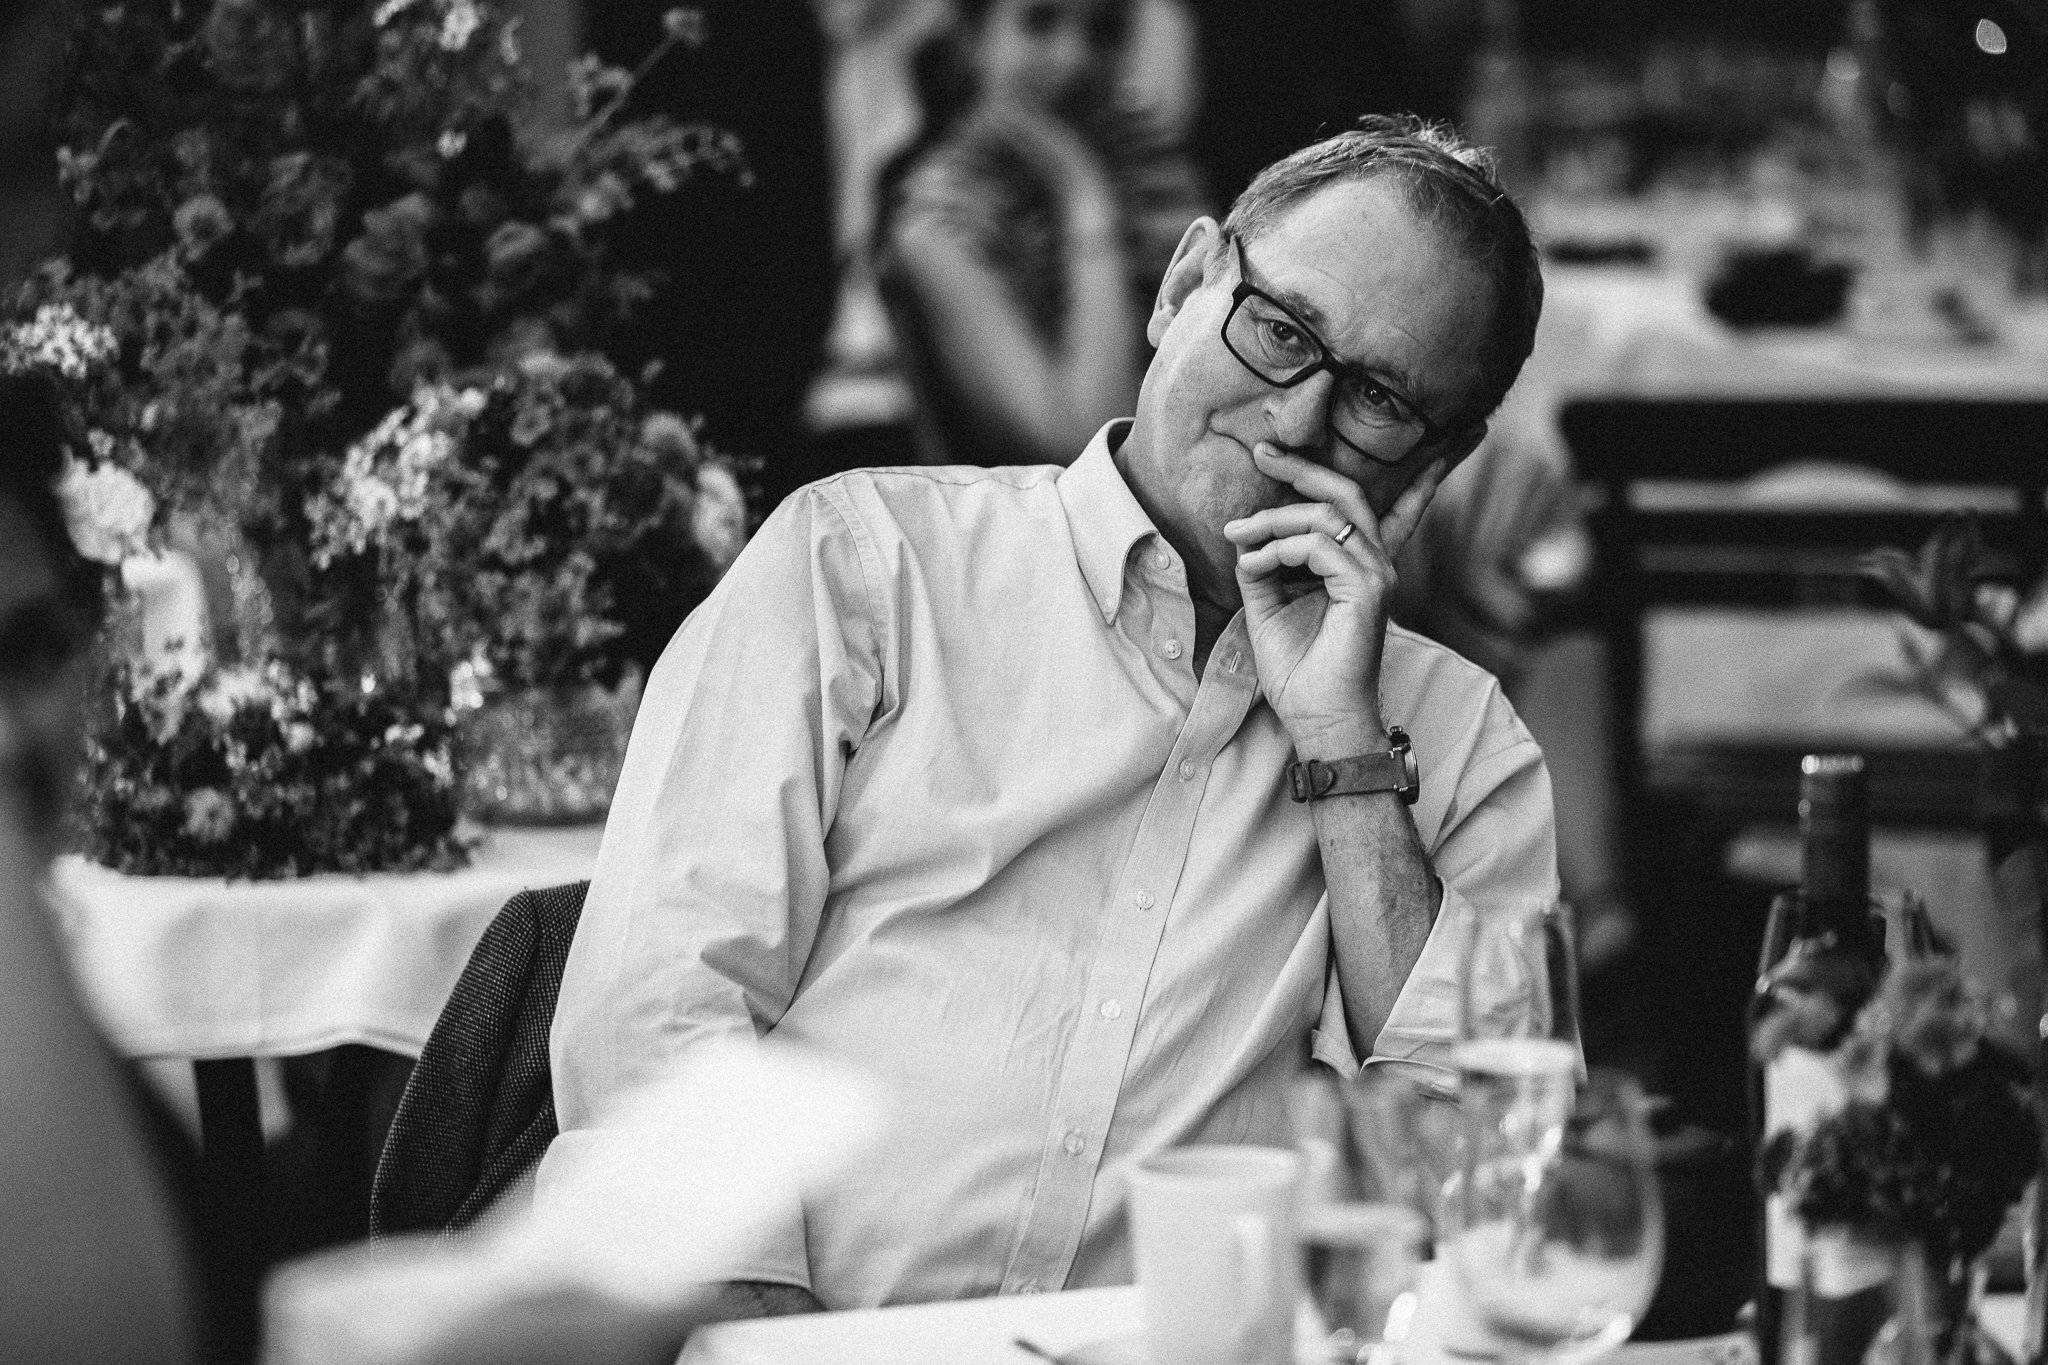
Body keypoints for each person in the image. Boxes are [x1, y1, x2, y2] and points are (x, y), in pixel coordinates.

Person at [544, 115, 1556, 1313]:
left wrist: (1342, 749)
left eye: (1379, 399)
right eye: (1278, 331)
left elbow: (1485, 1179)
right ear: (1183, 285)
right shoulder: (862, 567)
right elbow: (659, 1009)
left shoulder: (1459, 745)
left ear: (1437, 462)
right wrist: (766, 1341)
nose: (1294, 422)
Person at [873, 0, 1208, 468]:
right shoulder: (937, 221)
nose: (1073, 58)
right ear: (972, 40)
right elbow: (1085, 439)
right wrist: (1082, 194)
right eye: (1039, 21)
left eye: (1103, 31)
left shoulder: (1148, 165)